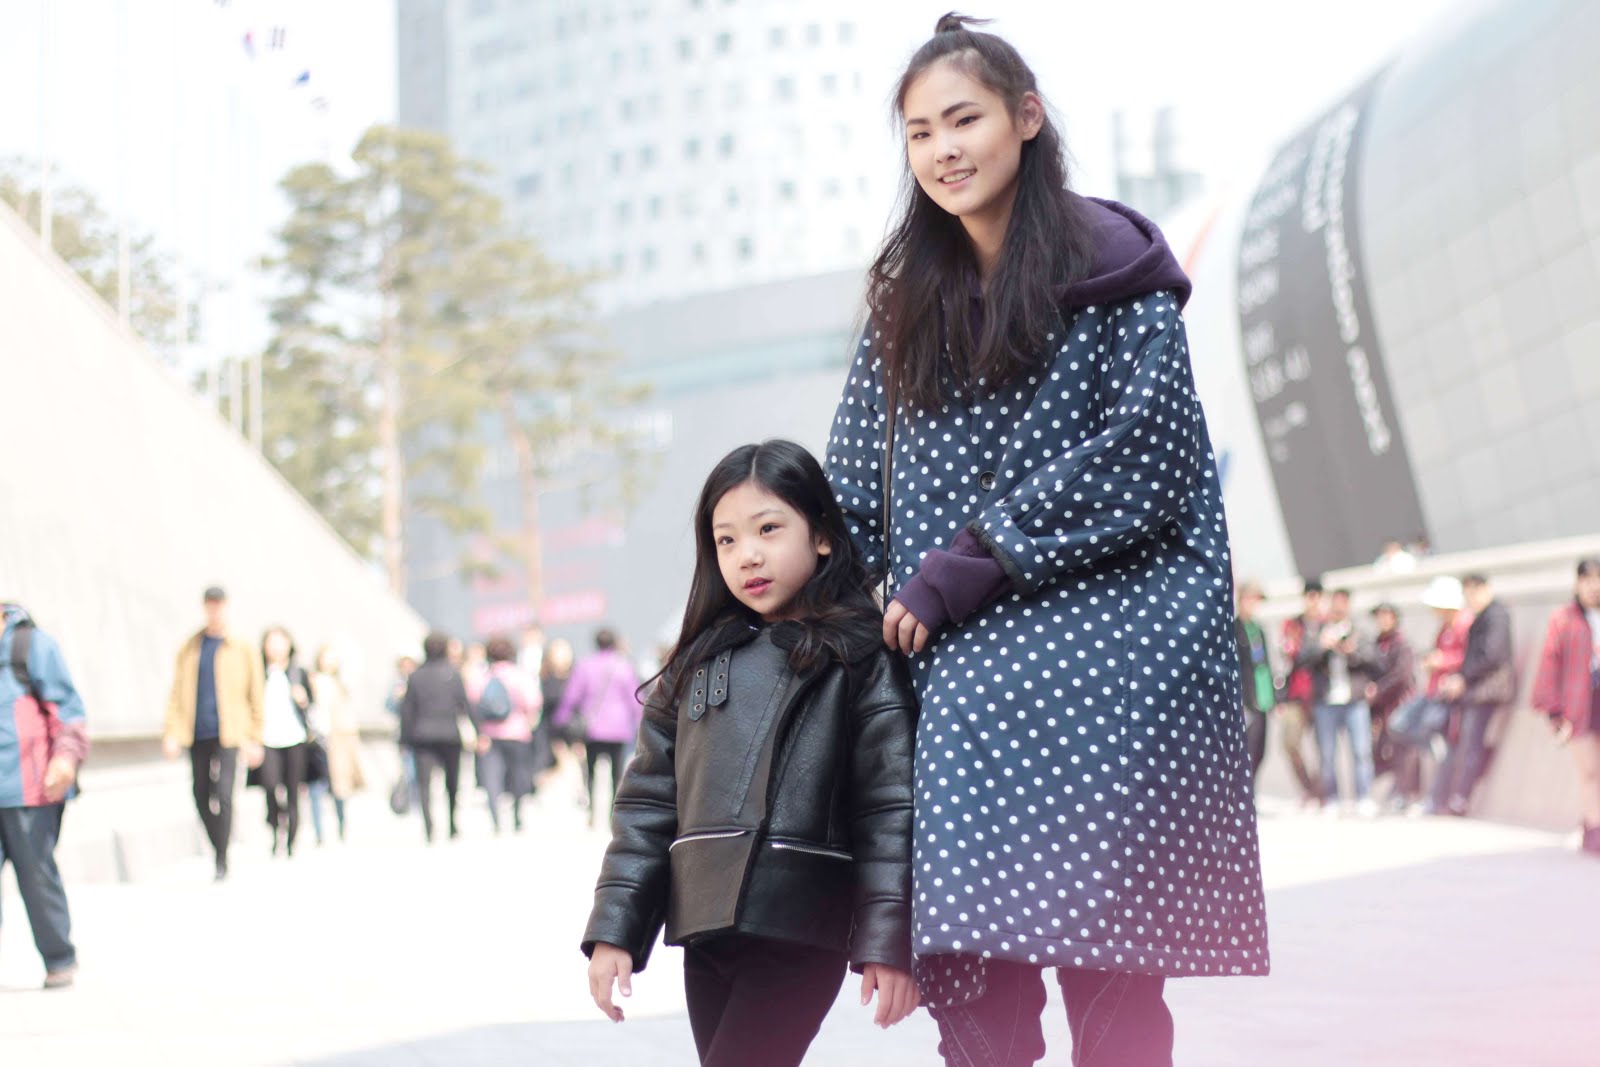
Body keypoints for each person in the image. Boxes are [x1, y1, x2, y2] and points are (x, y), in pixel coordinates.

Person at [823, 17, 1267, 1065]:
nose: (941, 149)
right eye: (919, 131)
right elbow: (848, 487)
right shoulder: (903, 300)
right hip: (961, 678)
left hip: (1118, 662)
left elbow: (1149, 458)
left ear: (1025, 118)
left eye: (963, 118)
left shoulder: (1118, 269)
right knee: (975, 993)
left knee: (1115, 998)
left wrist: (964, 564)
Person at [583, 441, 919, 1066]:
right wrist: (616, 929)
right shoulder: (694, 664)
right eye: (727, 540)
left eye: (769, 528)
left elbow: (890, 808)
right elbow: (649, 805)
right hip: (705, 924)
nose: (749, 555)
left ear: (820, 535)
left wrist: (889, 939)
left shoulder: (862, 655)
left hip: (798, 923)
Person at [0, 602, 89, 989]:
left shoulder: (30, 645)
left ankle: (59, 958)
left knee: (37, 875)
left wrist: (65, 758)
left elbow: (68, 709)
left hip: (28, 789)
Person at [162, 587, 264, 882]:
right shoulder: (191, 648)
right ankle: (218, 845)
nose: (214, 611)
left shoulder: (241, 648)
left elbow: (255, 693)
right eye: (210, 606)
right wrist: (171, 732)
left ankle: (222, 858)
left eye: (219, 605)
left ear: (226, 607)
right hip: (197, 731)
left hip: (231, 733)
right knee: (200, 793)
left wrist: (255, 737)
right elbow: (176, 693)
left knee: (225, 794)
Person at [1530, 558, 1600, 854]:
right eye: (1588, 579)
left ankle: (1589, 823)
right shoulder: (1564, 618)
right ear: (1577, 583)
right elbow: (1549, 663)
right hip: (1579, 706)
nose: (1594, 585)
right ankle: (1595, 830)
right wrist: (1554, 712)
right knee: (1590, 771)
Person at [1432, 574, 1515, 816]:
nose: (1469, 600)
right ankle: (1459, 795)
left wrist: (1462, 676)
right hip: (1479, 689)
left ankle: (1461, 798)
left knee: (1471, 743)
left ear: (1482, 589)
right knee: (1469, 742)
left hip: (1486, 690)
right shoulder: (1487, 615)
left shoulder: (1496, 615)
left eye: (1470, 594)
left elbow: (1490, 654)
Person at [1385, 577, 1471, 813]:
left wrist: (1443, 662)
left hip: (1447, 697)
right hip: (1431, 691)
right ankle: (1432, 747)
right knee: (1398, 723)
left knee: (1430, 729)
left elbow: (1469, 658)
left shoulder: (1465, 625)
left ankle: (1435, 760)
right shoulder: (1444, 627)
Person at [1296, 589, 1378, 815]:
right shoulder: (1318, 632)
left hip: (1354, 701)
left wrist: (1352, 652)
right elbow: (1302, 661)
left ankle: (1363, 797)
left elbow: (1374, 660)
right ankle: (1330, 798)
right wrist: (1322, 646)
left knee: (1361, 751)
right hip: (1326, 701)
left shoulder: (1359, 632)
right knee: (1327, 755)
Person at [555, 628, 643, 829]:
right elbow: (634, 698)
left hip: (593, 727)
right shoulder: (624, 666)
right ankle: (614, 813)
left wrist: (561, 718)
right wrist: (641, 721)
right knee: (617, 774)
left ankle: (593, 814)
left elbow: (572, 695)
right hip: (619, 728)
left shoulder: (585, 665)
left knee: (591, 772)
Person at [399, 633, 473, 842]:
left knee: (424, 784)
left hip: (422, 736)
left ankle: (429, 826)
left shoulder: (416, 676)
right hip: (450, 734)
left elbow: (407, 711)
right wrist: (479, 731)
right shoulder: (452, 674)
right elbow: (465, 705)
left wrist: (404, 740)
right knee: (452, 783)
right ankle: (451, 823)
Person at [253, 626, 314, 858]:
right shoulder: (259, 673)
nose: (276, 647)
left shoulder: (299, 673)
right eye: (272, 642)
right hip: (267, 738)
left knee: (293, 790)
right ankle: (276, 823)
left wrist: (304, 699)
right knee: (270, 785)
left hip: (295, 738)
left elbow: (313, 705)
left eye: (280, 642)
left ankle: (291, 841)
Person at [474, 635, 541, 834]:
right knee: (518, 774)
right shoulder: (520, 676)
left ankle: (496, 819)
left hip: (489, 734)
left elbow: (473, 703)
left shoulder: (483, 677)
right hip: (517, 732)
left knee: (492, 778)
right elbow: (533, 702)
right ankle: (517, 815)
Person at [307, 645, 365, 844]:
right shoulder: (312, 681)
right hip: (316, 739)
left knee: (339, 787)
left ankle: (341, 825)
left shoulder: (340, 685)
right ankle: (319, 832)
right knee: (316, 787)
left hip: (337, 739)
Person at [1277, 580, 1327, 806]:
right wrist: (1319, 647)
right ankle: (1308, 788)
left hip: (1323, 694)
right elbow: (1293, 656)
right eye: (1309, 595)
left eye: (1317, 595)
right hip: (1297, 694)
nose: (1313, 600)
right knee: (1289, 743)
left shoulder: (1328, 624)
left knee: (1325, 747)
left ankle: (1321, 792)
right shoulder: (1293, 625)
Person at [1365, 603, 1417, 806]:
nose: (1383, 621)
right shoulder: (1376, 644)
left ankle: (1406, 792)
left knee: (1402, 749)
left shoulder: (1402, 644)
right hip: (1381, 707)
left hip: (1399, 703)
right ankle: (1394, 790)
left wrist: (1378, 690)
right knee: (1379, 748)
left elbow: (1401, 676)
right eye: (1379, 616)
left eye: (1386, 616)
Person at [1235, 581, 1275, 785]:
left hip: (1263, 698)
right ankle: (1245, 794)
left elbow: (1265, 664)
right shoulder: (1235, 629)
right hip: (1247, 700)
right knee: (1248, 750)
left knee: (1261, 750)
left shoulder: (1258, 629)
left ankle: (1251, 791)